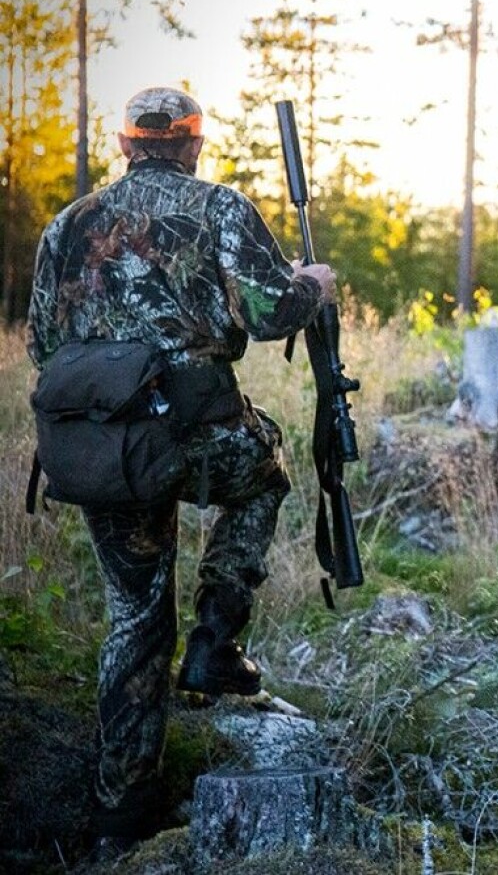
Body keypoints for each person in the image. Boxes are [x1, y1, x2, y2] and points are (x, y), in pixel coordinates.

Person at [25, 86, 335, 855]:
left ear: (126, 144)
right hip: (199, 435)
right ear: (194, 143)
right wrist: (313, 285)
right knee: (265, 471)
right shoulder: (222, 209)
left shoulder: (67, 226)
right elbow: (273, 317)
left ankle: (119, 820)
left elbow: (40, 343)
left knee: (133, 618)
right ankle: (216, 645)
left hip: (105, 450)